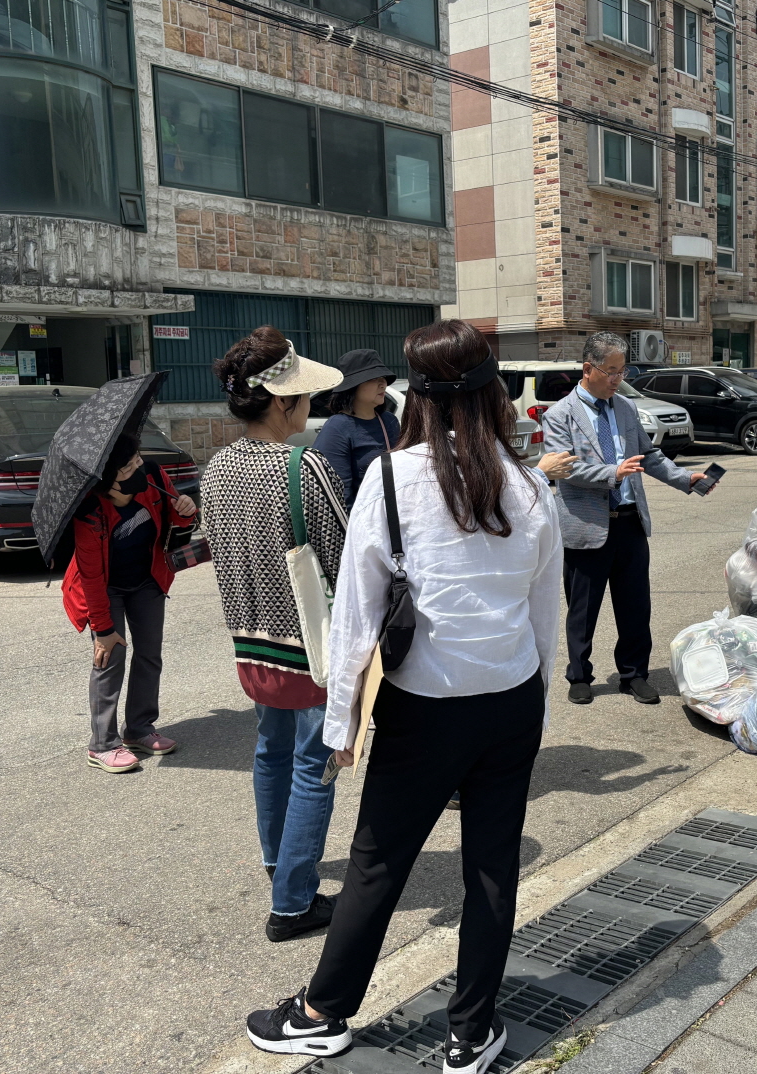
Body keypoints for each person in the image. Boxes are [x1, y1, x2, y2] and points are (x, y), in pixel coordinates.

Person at [244, 319, 561, 1074]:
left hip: (423, 703)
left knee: (378, 863)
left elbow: (357, 616)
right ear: (493, 395)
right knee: (492, 868)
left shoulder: (391, 477)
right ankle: (471, 1033)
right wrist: (536, 703)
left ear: (415, 397)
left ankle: (321, 1014)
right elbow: (545, 612)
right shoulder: (529, 484)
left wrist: (341, 724)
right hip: (511, 696)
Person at [200, 326, 351, 944]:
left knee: (271, 749)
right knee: (317, 764)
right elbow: (344, 559)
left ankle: (277, 859)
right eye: (303, 395)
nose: (310, 404)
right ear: (282, 401)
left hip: (251, 640)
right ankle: (292, 902)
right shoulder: (303, 466)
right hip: (309, 646)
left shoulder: (217, 468)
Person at [542, 332, 712, 705]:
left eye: (623, 371)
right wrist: (613, 473)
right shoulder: (560, 415)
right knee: (583, 609)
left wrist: (685, 479)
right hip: (587, 525)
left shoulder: (626, 408)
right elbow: (563, 468)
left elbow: (648, 456)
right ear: (588, 369)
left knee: (635, 606)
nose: (618, 379)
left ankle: (634, 674)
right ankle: (579, 676)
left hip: (630, 521)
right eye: (612, 371)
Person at [63, 431, 196, 773]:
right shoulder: (90, 510)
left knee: (150, 653)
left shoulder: (153, 476)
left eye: (137, 460)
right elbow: (91, 576)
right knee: (110, 657)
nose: (138, 469)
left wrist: (185, 510)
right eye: (127, 467)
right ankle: (102, 744)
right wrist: (103, 630)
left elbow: (176, 523)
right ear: (107, 478)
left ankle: (139, 728)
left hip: (147, 580)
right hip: (106, 588)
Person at [312, 348, 401, 504]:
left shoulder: (389, 420)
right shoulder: (337, 427)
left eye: (383, 378)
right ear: (353, 386)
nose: (383, 384)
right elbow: (339, 494)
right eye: (374, 378)